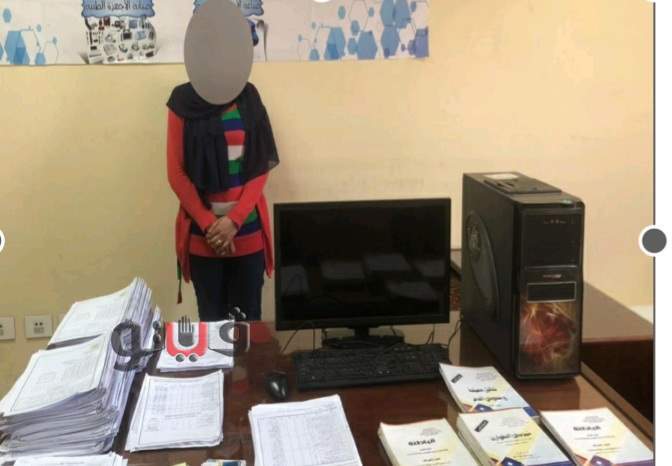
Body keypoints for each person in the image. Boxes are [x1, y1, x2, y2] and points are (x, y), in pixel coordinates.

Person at [166, 82, 279, 322]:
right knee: (212, 327)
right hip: (203, 238)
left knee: (248, 325)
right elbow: (176, 172)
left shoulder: (248, 96)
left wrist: (234, 221)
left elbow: (260, 164)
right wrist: (211, 226)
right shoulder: (183, 101)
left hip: (247, 233)